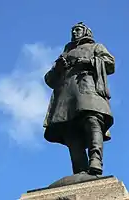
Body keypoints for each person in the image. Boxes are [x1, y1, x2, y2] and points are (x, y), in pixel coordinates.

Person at [43, 22, 115, 175]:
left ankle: (95, 159)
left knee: (92, 121)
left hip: (88, 90)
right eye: (73, 30)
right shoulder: (64, 54)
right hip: (66, 98)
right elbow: (49, 79)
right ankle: (80, 169)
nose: (75, 32)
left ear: (86, 32)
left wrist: (88, 62)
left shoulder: (96, 47)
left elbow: (110, 64)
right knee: (70, 131)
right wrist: (58, 68)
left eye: (78, 29)